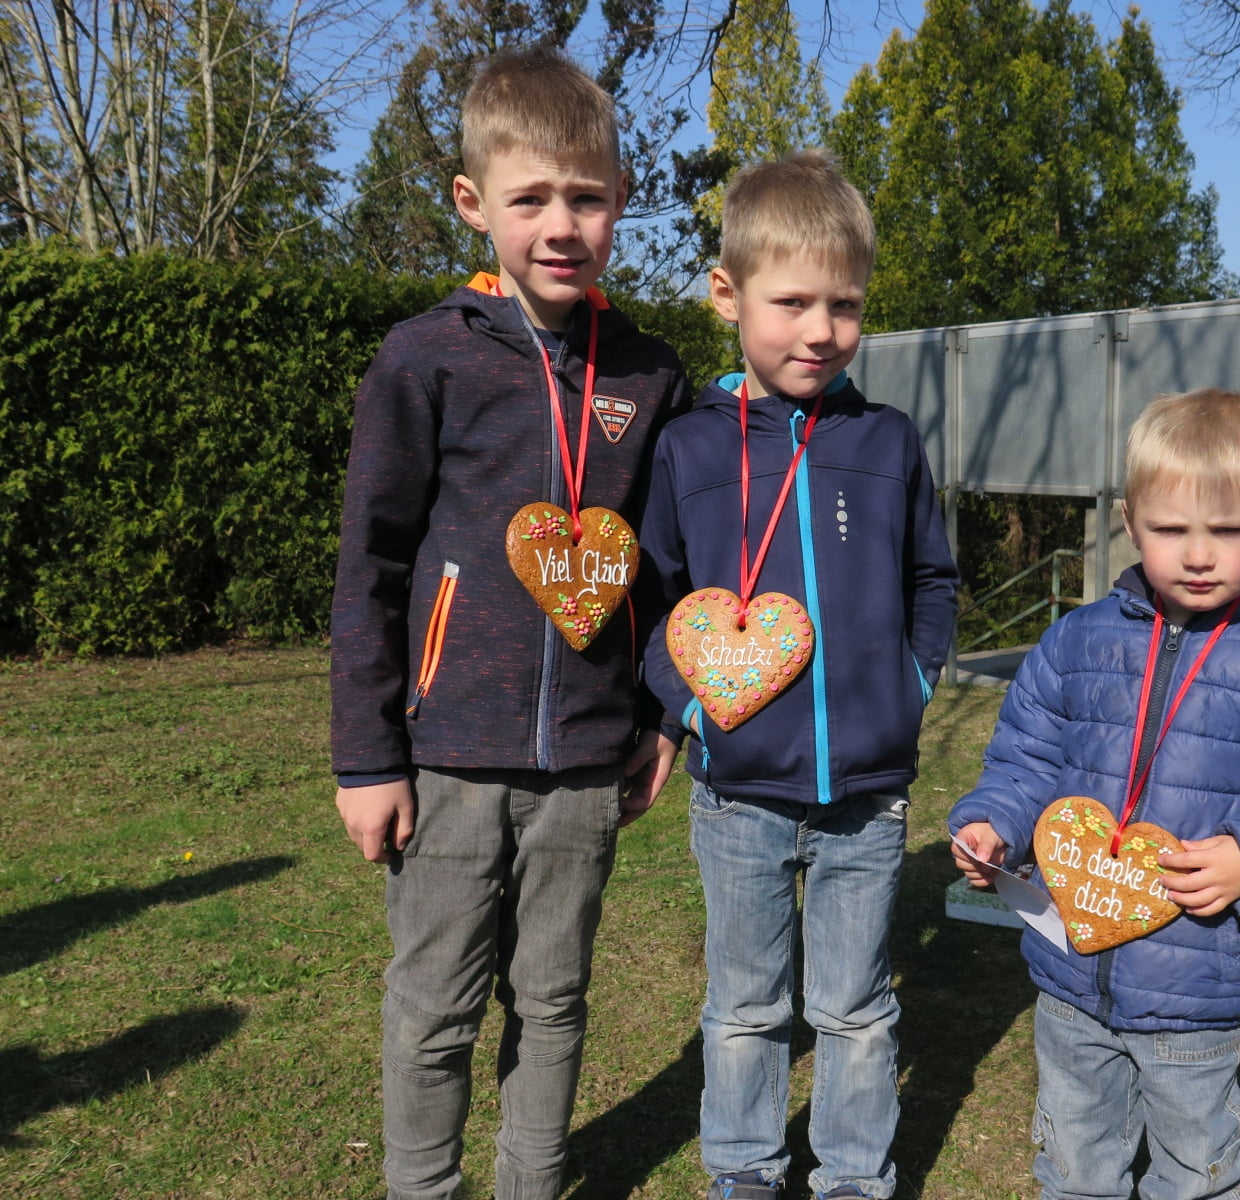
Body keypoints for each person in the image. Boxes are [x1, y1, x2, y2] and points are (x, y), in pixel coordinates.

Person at [328, 45, 689, 1200]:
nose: (561, 224)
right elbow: (371, 566)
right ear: (473, 203)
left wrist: (655, 718)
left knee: (555, 999)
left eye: (587, 196)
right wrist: (368, 755)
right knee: (432, 1007)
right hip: (444, 763)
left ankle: (533, 1185)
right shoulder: (423, 358)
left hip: (584, 761)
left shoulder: (649, 374)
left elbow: (660, 573)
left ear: (620, 202)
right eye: (530, 197)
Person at [948, 389, 1240, 1200]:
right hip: (1067, 975)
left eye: (1229, 531)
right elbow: (1026, 755)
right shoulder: (1076, 640)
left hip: (1199, 991)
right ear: (1128, 519)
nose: (1198, 554)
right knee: (1074, 1164)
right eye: (1170, 529)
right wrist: (993, 824)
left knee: (1194, 1173)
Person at [638, 149, 959, 1200]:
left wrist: (906, 687)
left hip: (866, 802)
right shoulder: (687, 449)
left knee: (857, 1008)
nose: (819, 330)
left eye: (845, 304)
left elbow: (931, 577)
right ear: (726, 295)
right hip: (737, 797)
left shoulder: (887, 440)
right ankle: (742, 1170)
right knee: (744, 1005)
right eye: (791, 303)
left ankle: (855, 1179)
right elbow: (654, 602)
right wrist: (692, 709)